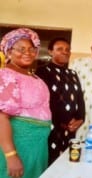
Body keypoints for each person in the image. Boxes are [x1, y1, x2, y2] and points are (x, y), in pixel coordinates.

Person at [0, 28, 51, 178]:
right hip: (19, 143)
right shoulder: (6, 75)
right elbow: (2, 117)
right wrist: (11, 155)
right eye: (21, 49)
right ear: (9, 52)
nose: (27, 52)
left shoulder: (35, 77)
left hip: (37, 145)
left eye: (31, 49)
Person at [35, 37, 85, 165]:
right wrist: (63, 121)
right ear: (50, 52)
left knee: (67, 160)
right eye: (60, 49)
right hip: (52, 126)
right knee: (51, 160)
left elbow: (79, 97)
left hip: (70, 128)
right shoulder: (42, 71)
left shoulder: (72, 74)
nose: (65, 52)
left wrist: (80, 118)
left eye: (67, 49)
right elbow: (44, 101)